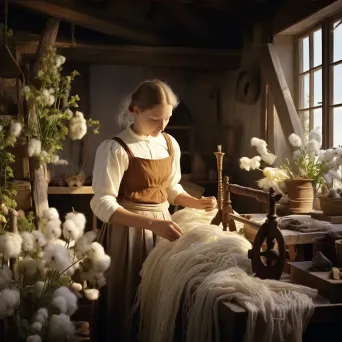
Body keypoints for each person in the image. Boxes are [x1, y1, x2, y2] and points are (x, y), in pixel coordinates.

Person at [90, 79, 217, 342]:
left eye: (167, 119)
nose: (161, 126)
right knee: (127, 297)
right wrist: (151, 224)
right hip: (127, 234)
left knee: (158, 299)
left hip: (163, 227)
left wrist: (197, 203)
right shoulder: (115, 148)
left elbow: (171, 189)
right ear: (134, 111)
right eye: (154, 119)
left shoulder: (169, 144)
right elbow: (102, 204)